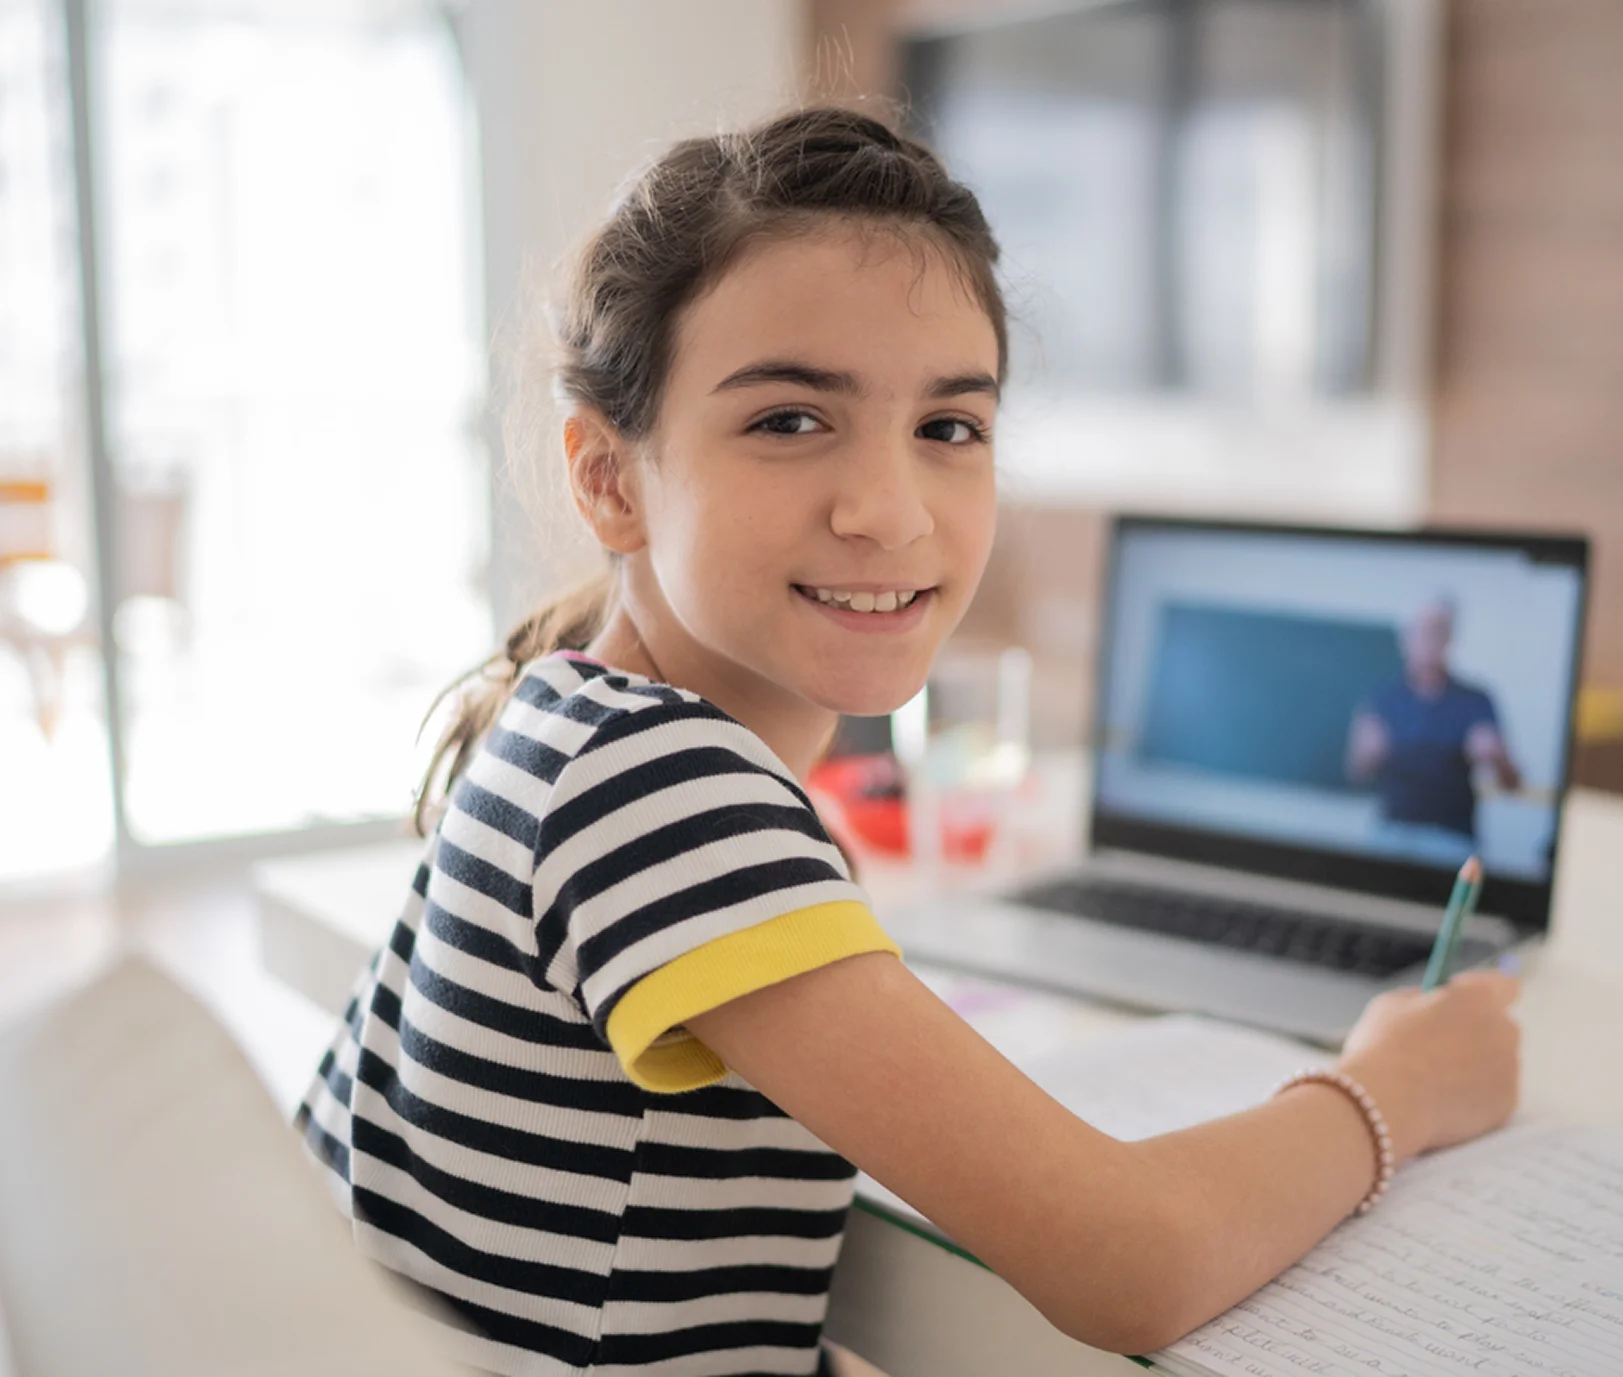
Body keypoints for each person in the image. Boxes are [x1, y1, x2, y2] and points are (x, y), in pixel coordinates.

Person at [296, 109, 1520, 1377]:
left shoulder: (570, 721)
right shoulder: (658, 792)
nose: (888, 512)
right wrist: (1401, 1088)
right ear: (609, 477)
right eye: (788, 420)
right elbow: (1132, 1263)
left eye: (949, 428)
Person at [1344, 599, 1520, 845]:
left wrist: (1497, 756)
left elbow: (1512, 784)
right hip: (1392, 832)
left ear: (1450, 639)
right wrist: (1367, 753)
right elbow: (1356, 773)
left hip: (1451, 838)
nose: (1428, 641)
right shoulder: (1382, 696)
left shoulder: (1475, 700)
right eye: (1422, 631)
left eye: (1437, 632)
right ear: (1405, 639)